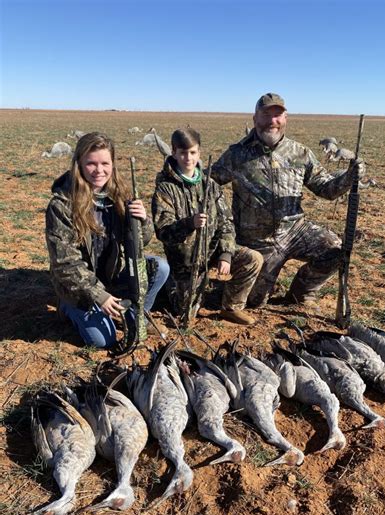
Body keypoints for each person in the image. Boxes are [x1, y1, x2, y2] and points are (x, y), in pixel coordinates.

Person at [211, 92, 366, 309]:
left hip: (295, 230)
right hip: (257, 241)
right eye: (266, 115)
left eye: (278, 115)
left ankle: (301, 295)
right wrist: (222, 217)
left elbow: (326, 189)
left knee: (335, 250)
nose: (272, 121)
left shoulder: (300, 153)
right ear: (255, 119)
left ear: (285, 119)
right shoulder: (236, 154)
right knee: (255, 303)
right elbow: (208, 184)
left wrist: (350, 177)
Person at [45, 131, 170, 348]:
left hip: (112, 276)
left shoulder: (120, 195)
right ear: (79, 164)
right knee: (103, 341)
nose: (99, 170)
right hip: (78, 288)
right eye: (91, 163)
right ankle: (66, 306)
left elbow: (141, 243)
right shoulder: (61, 205)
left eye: (105, 163)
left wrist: (142, 221)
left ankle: (134, 315)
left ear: (113, 164)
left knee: (160, 268)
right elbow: (66, 265)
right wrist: (98, 296)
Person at [152, 128, 263, 325]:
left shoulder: (210, 185)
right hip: (185, 262)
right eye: (183, 152)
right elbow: (163, 231)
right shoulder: (165, 188)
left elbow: (226, 222)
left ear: (199, 153)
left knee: (252, 259)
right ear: (174, 152)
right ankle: (171, 286)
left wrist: (225, 254)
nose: (188, 157)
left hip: (211, 251)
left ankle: (231, 308)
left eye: (193, 152)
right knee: (185, 312)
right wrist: (189, 224)